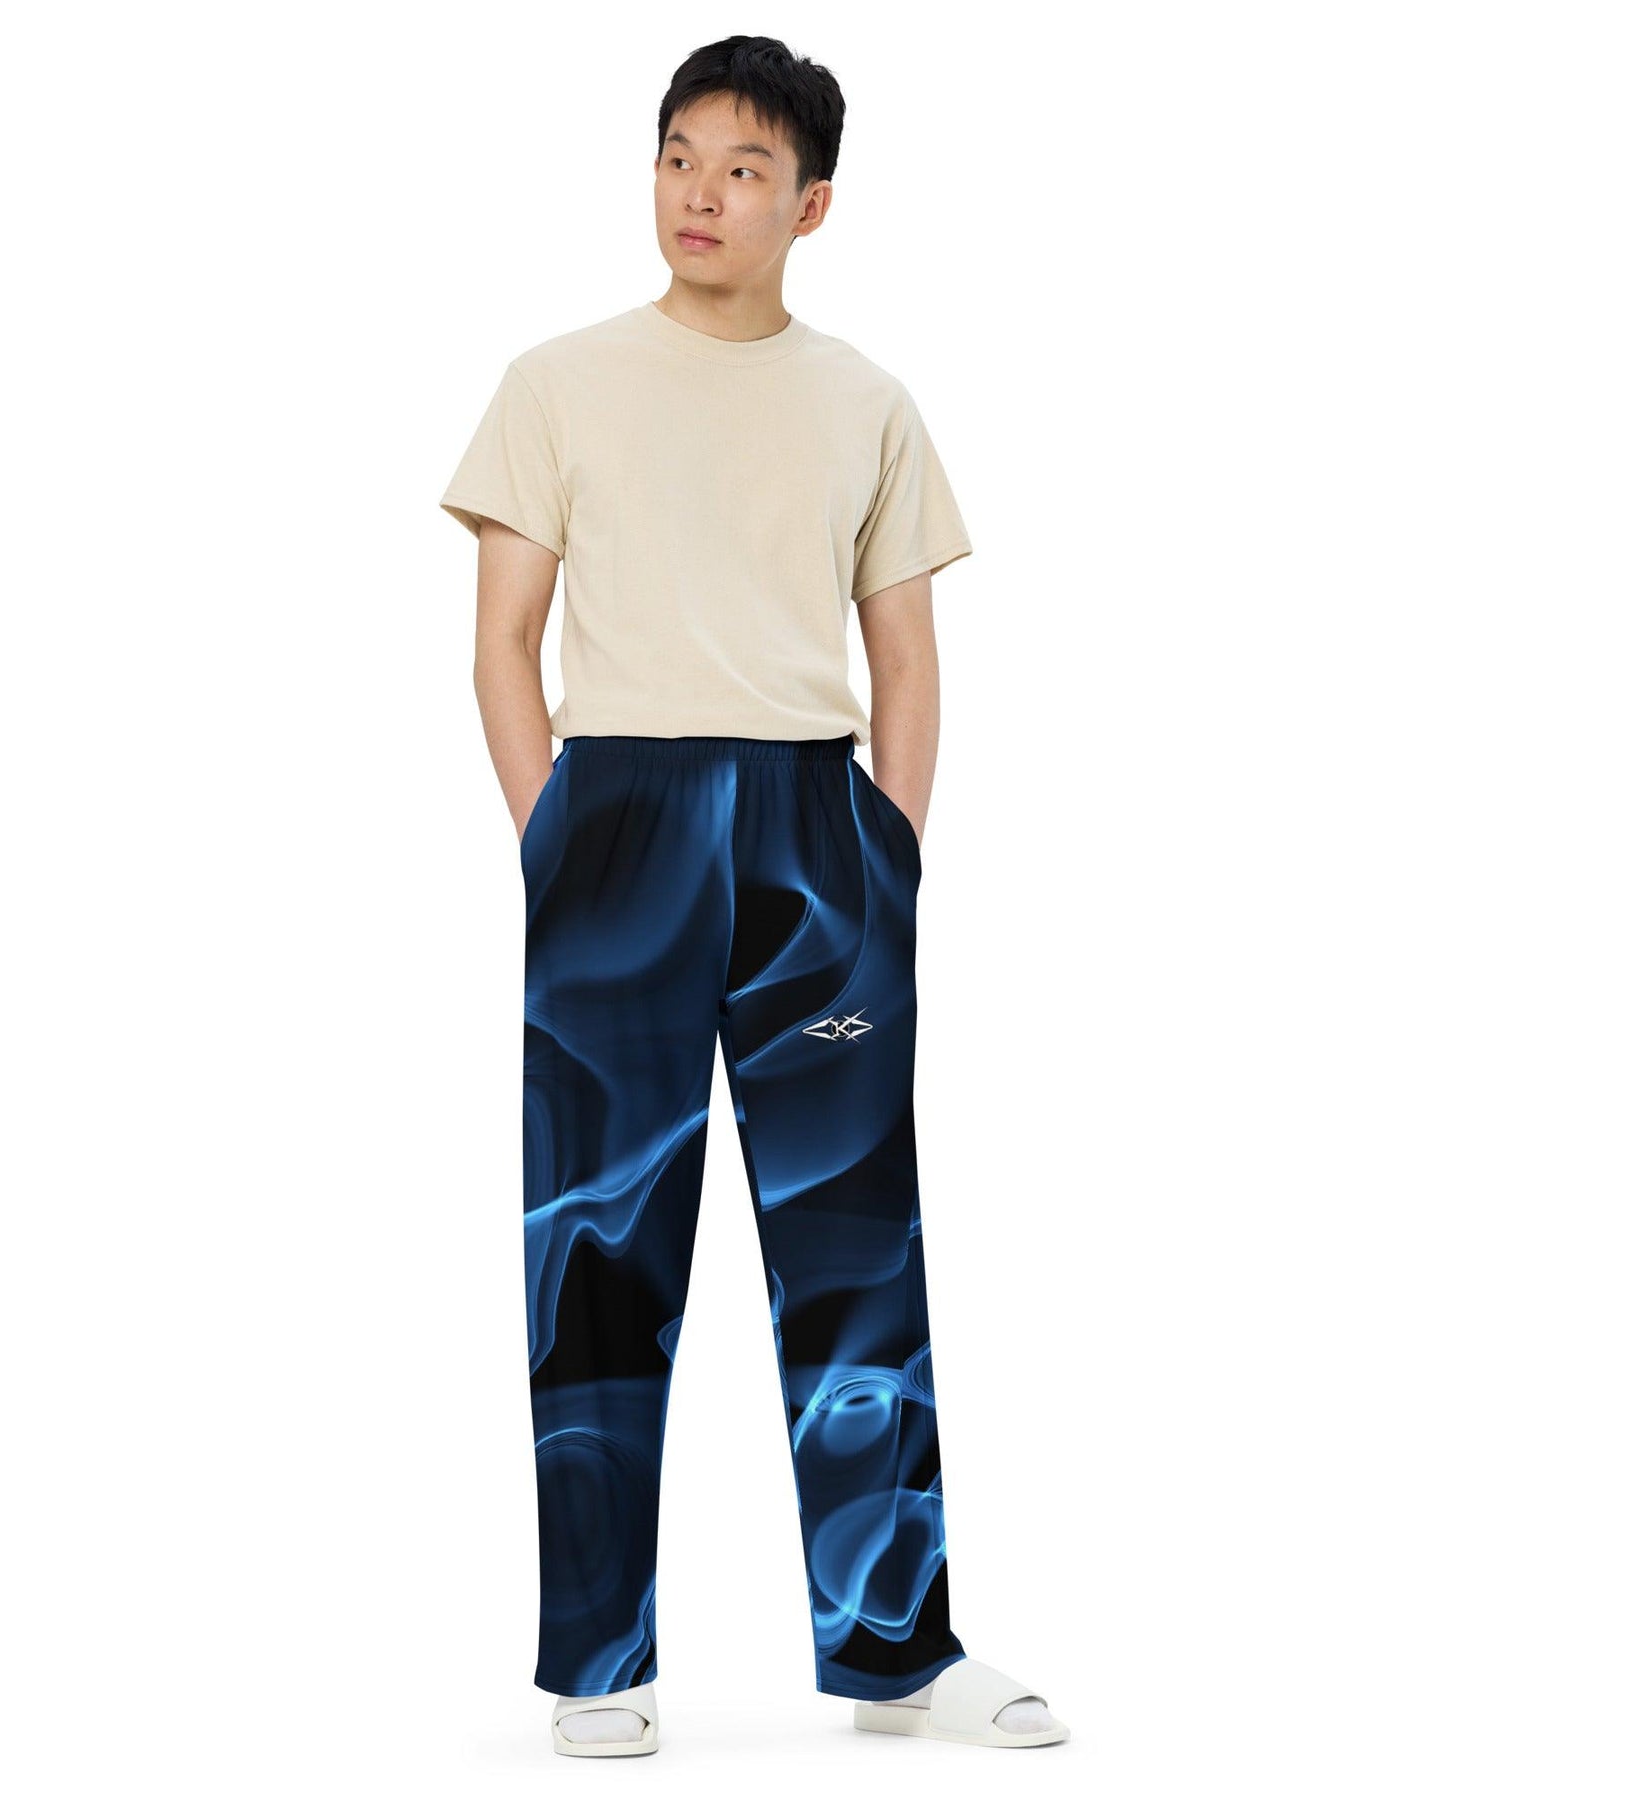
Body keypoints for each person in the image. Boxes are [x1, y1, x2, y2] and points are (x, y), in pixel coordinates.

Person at [438, 35, 1068, 1758]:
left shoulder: (866, 401)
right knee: (595, 1248)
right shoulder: (557, 382)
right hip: (616, 822)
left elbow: (906, 654)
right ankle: (597, 1664)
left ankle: (898, 1651)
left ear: (814, 204)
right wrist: (558, 840)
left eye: (741, 168)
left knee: (857, 1246)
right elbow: (502, 643)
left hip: (814, 831)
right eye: (677, 157)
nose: (700, 194)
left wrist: (890, 857)